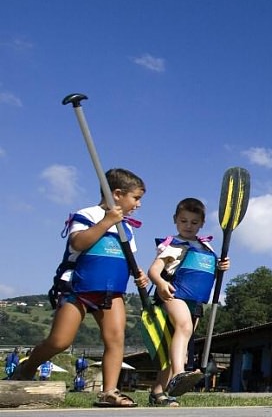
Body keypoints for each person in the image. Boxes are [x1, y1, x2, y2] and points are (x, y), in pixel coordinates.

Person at [11, 168, 149, 408]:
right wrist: (107, 222)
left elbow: (127, 259)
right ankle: (28, 366)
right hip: (79, 286)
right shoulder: (88, 214)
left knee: (116, 339)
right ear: (117, 194)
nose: (138, 204)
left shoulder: (127, 228)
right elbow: (78, 242)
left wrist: (139, 274)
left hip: (111, 290)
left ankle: (109, 391)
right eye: (135, 198)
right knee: (60, 342)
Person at [147, 198, 230, 406]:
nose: (188, 226)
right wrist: (160, 283)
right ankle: (179, 375)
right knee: (183, 328)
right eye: (183, 221)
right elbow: (154, 271)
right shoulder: (172, 245)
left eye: (194, 222)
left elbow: (211, 270)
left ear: (202, 223)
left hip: (195, 302)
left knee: (178, 348)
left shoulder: (206, 247)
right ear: (175, 220)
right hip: (174, 294)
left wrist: (222, 266)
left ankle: (159, 391)